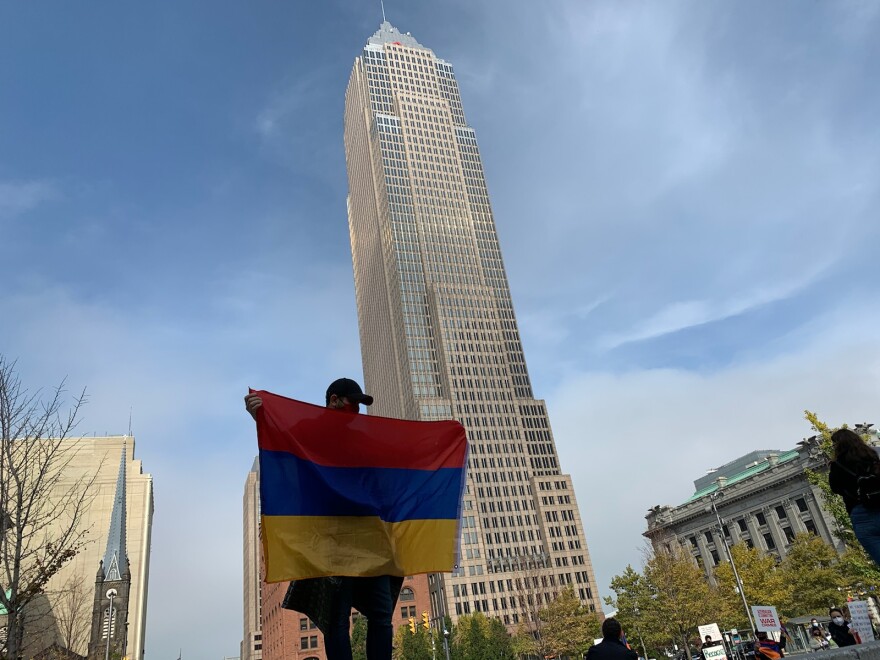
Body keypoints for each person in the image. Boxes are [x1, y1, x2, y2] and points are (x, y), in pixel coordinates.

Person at [245, 378, 397, 660]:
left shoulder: (365, 438)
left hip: (371, 539)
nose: (357, 411)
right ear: (334, 400)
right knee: (336, 620)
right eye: (354, 403)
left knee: (381, 614)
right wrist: (260, 418)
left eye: (361, 406)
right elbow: (282, 443)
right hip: (333, 541)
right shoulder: (310, 431)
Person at [828, 428, 880, 564]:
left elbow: (835, 488)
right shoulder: (874, 455)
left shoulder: (837, 465)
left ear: (838, 445)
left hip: (861, 513)